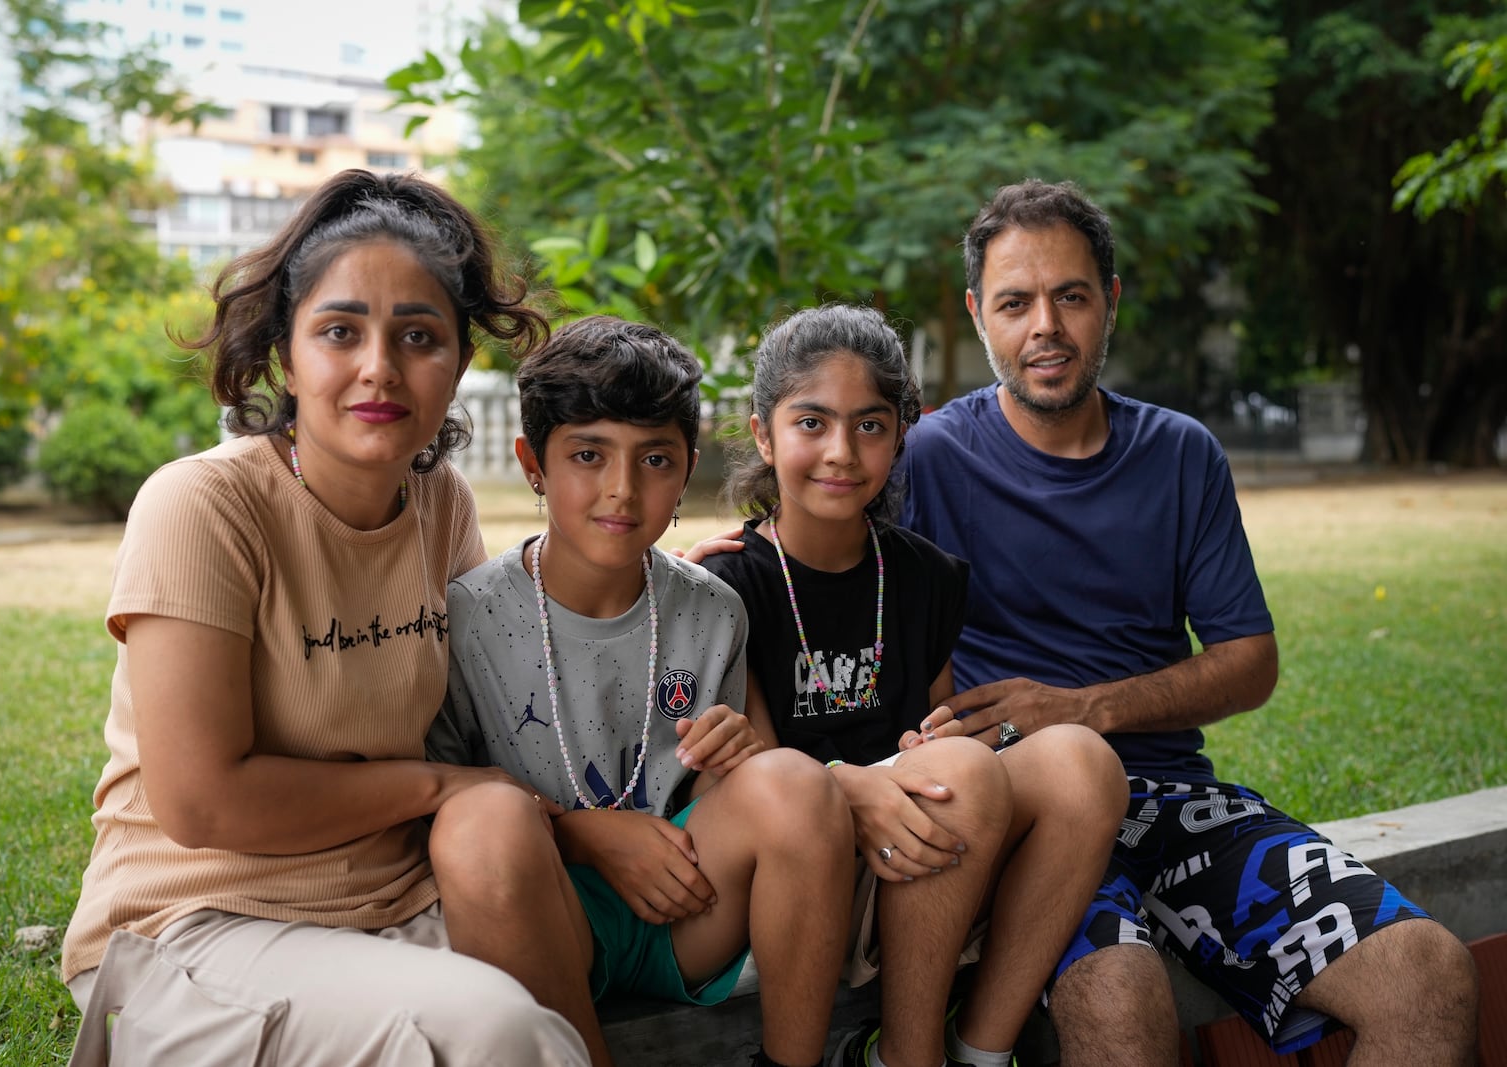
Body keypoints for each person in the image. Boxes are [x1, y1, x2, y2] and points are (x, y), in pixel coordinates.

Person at [899, 178, 1480, 1065]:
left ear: (1112, 301)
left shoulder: (1179, 453)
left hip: (1177, 803)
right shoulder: (931, 457)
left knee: (1427, 972)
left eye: (1072, 295)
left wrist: (1087, 706)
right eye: (1016, 302)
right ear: (980, 313)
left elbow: (1250, 661)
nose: (1045, 326)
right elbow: (811, 529)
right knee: (1121, 1000)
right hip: (1032, 824)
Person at [58, 169, 589, 1066]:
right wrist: (434, 788)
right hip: (197, 922)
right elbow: (200, 798)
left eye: (418, 336)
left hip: (394, 896)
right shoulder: (201, 505)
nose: (379, 366)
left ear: (458, 363)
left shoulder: (439, 502)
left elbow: (502, 702)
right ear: (284, 355)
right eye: (340, 331)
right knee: (499, 1030)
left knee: (596, 959)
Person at [695, 304, 1127, 1067]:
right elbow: (754, 770)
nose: (840, 451)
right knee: (956, 772)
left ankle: (980, 1049)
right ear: (763, 434)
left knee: (1081, 762)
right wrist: (869, 785)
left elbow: (936, 723)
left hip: (924, 847)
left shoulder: (925, 574)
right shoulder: (731, 583)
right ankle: (907, 1055)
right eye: (811, 423)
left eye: (869, 425)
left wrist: (940, 746)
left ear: (901, 434)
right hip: (807, 861)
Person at [425, 315, 856, 1067]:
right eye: (588, 455)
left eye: (655, 459)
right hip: (542, 912)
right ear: (534, 464)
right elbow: (438, 803)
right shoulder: (467, 617)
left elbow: (735, 791)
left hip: (681, 903)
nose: (622, 490)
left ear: (687, 468)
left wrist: (738, 762)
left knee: (793, 781)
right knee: (479, 829)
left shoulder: (713, 609)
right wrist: (578, 831)